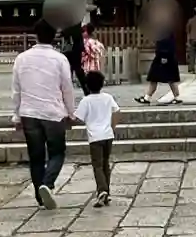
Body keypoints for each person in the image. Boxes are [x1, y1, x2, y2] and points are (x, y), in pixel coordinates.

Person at [12, 19, 78, 209]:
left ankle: (40, 197)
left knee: (36, 157)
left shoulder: (21, 58)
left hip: (29, 112)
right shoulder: (60, 59)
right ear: (54, 36)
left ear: (35, 35)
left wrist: (16, 114)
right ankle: (47, 184)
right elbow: (67, 88)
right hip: (53, 112)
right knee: (57, 152)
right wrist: (71, 113)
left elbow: (16, 90)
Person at [74, 67, 118, 205]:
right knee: (105, 163)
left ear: (86, 85)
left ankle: (102, 190)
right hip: (108, 135)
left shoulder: (86, 101)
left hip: (95, 137)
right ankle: (106, 191)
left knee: (97, 165)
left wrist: (66, 121)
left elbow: (78, 118)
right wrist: (112, 127)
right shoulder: (108, 97)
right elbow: (117, 112)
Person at [136, 25, 182, 104]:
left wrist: (164, 56)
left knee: (169, 79)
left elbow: (167, 44)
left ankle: (177, 97)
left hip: (165, 58)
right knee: (155, 78)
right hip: (163, 57)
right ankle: (147, 97)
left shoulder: (164, 31)